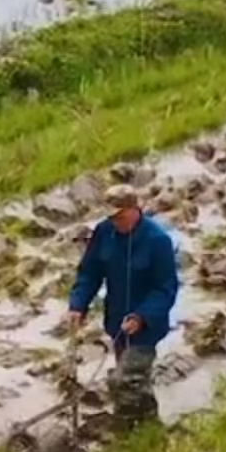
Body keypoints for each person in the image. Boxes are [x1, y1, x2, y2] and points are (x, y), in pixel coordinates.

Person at [67, 182, 180, 428]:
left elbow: (166, 288)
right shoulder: (104, 232)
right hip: (116, 322)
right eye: (111, 217)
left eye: (119, 216)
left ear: (134, 209)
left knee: (124, 380)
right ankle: (148, 427)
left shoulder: (157, 241)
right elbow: (89, 273)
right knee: (135, 382)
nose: (115, 222)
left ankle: (125, 430)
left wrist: (141, 316)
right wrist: (78, 304)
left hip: (146, 326)